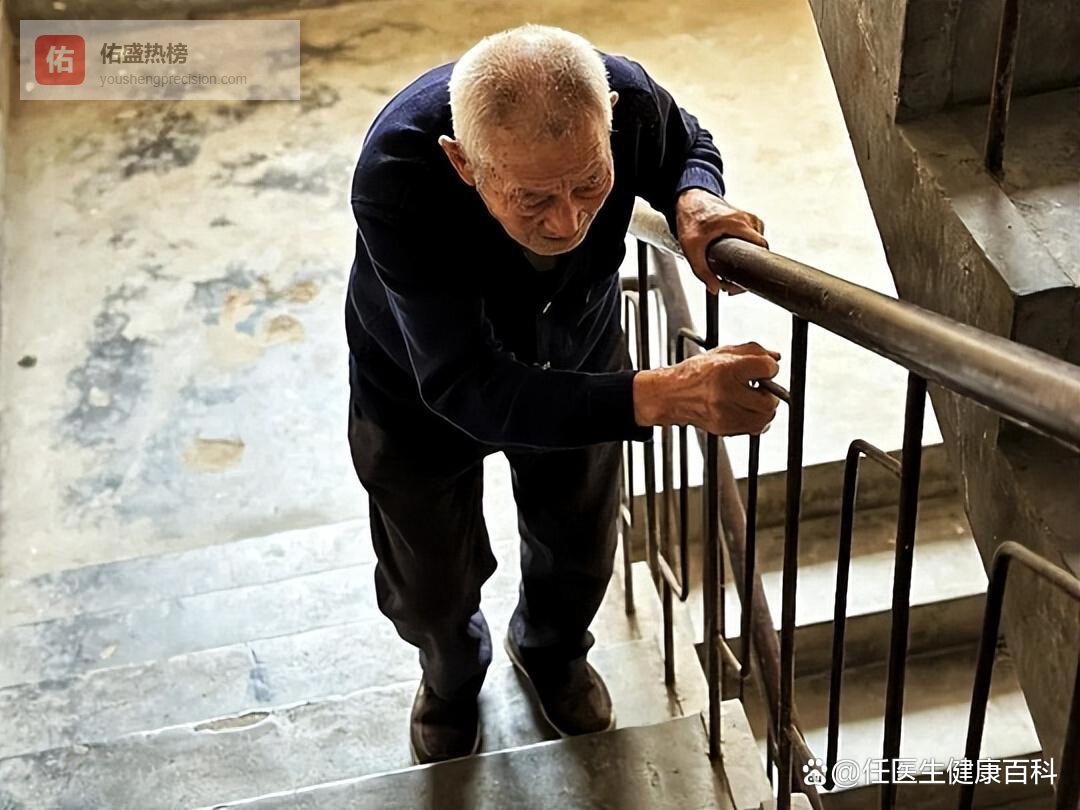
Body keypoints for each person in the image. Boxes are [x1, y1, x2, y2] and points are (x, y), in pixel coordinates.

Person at [345, 24, 781, 765]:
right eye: (533, 198)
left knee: (579, 544)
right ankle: (451, 674)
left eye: (589, 183)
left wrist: (695, 197)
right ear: (462, 162)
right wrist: (661, 395)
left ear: (609, 123)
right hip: (417, 391)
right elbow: (465, 384)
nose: (569, 220)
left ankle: (552, 651)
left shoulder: (627, 98)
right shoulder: (396, 174)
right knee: (427, 584)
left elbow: (686, 143)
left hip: (579, 346)